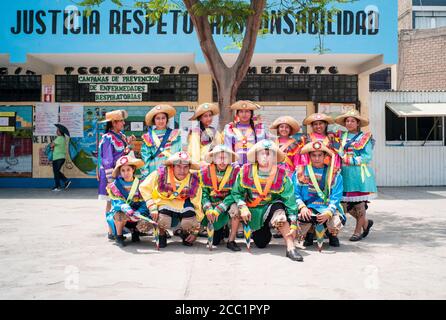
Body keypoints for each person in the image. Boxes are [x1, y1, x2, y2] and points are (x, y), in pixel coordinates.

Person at [231, 140, 304, 261]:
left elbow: (290, 200)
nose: (265, 157)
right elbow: (236, 192)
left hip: (270, 208)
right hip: (250, 211)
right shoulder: (245, 171)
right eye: (262, 153)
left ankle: (291, 247)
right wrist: (242, 206)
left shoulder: (282, 175)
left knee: (279, 209)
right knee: (261, 243)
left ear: (275, 157)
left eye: (269, 154)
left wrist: (293, 223)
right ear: (256, 156)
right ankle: (235, 238)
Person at [139, 151, 203, 248]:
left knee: (189, 222)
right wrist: (152, 206)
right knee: (163, 219)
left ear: (189, 168)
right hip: (164, 202)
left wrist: (195, 230)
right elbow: (144, 187)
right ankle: (161, 234)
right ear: (172, 166)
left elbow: (197, 203)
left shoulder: (193, 180)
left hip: (183, 203)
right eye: (179, 166)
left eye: (186, 167)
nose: (182, 170)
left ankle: (185, 232)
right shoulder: (160, 174)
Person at [292, 141, 346, 251]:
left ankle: (332, 234)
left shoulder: (334, 173)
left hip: (327, 207)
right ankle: (309, 234)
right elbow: (295, 193)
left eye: (320, 155)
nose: (317, 158)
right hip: (308, 207)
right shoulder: (301, 171)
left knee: (336, 222)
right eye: (314, 155)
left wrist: (329, 212)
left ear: (325, 156)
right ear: (309, 156)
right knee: (303, 218)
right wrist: (302, 207)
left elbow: (336, 196)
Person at [334, 109, 377, 242]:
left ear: (358, 123)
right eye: (347, 120)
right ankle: (365, 223)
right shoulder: (339, 136)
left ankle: (358, 231)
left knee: (359, 204)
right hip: (342, 173)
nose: (349, 123)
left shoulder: (365, 137)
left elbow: (367, 156)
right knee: (344, 204)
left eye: (352, 120)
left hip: (357, 174)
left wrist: (349, 160)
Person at [97, 110, 135, 240]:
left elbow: (123, 154)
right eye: (121, 121)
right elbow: (107, 160)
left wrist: (128, 145)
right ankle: (111, 231)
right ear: (114, 123)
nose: (124, 123)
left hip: (121, 173)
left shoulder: (121, 136)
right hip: (111, 174)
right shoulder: (108, 138)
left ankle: (119, 227)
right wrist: (110, 179)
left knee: (121, 201)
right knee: (110, 202)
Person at [199, 145, 242, 251]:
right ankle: (221, 228)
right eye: (219, 158)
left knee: (236, 208)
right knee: (216, 241)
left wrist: (220, 208)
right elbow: (203, 193)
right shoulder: (205, 172)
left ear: (230, 159)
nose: (222, 161)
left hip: (227, 204)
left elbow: (235, 193)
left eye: (225, 158)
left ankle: (231, 240)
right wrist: (208, 208)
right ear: (213, 158)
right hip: (211, 205)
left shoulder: (236, 171)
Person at [106, 155, 155, 248]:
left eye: (128, 169)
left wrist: (139, 212)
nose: (126, 173)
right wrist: (124, 207)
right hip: (124, 212)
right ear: (120, 172)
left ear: (133, 170)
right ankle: (119, 236)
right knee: (119, 215)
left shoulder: (141, 184)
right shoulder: (115, 185)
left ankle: (136, 232)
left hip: (137, 214)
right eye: (123, 170)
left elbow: (145, 200)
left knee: (147, 219)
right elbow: (115, 201)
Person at [141, 104, 181, 178]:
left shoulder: (174, 134)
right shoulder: (148, 136)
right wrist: (146, 172)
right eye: (158, 118)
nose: (161, 121)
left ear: (167, 119)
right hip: (154, 169)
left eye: (163, 118)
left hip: (170, 167)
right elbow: (145, 156)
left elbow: (178, 151)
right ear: (154, 120)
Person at [224, 100, 269, 165]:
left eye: (247, 111)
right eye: (241, 111)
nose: (244, 114)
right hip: (235, 165)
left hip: (253, 165)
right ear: (237, 114)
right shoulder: (231, 128)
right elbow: (228, 148)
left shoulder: (258, 128)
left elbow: (262, 148)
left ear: (251, 114)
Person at [50, 127, 71, 191]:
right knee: (56, 172)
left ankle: (57, 186)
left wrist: (52, 145)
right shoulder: (63, 138)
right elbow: (55, 146)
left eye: (57, 130)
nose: (56, 132)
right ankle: (65, 181)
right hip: (61, 158)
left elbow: (51, 145)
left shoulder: (59, 138)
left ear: (60, 132)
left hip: (57, 158)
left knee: (56, 172)